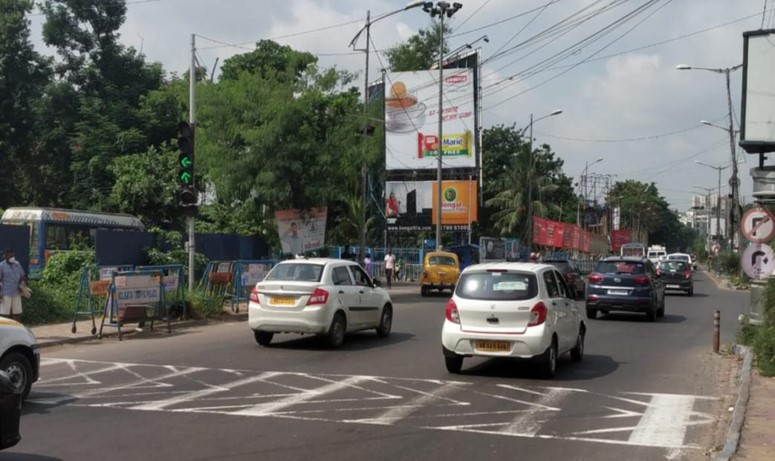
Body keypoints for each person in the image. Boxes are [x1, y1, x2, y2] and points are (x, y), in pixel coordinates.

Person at [0, 247, 26, 322]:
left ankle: (17, 329)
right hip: (6, 292)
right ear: (6, 256)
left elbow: (22, 276)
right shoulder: (1, 266)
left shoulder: (17, 264)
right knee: (4, 314)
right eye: (10, 256)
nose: (12, 258)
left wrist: (23, 285)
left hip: (16, 292)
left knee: (17, 312)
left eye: (13, 256)